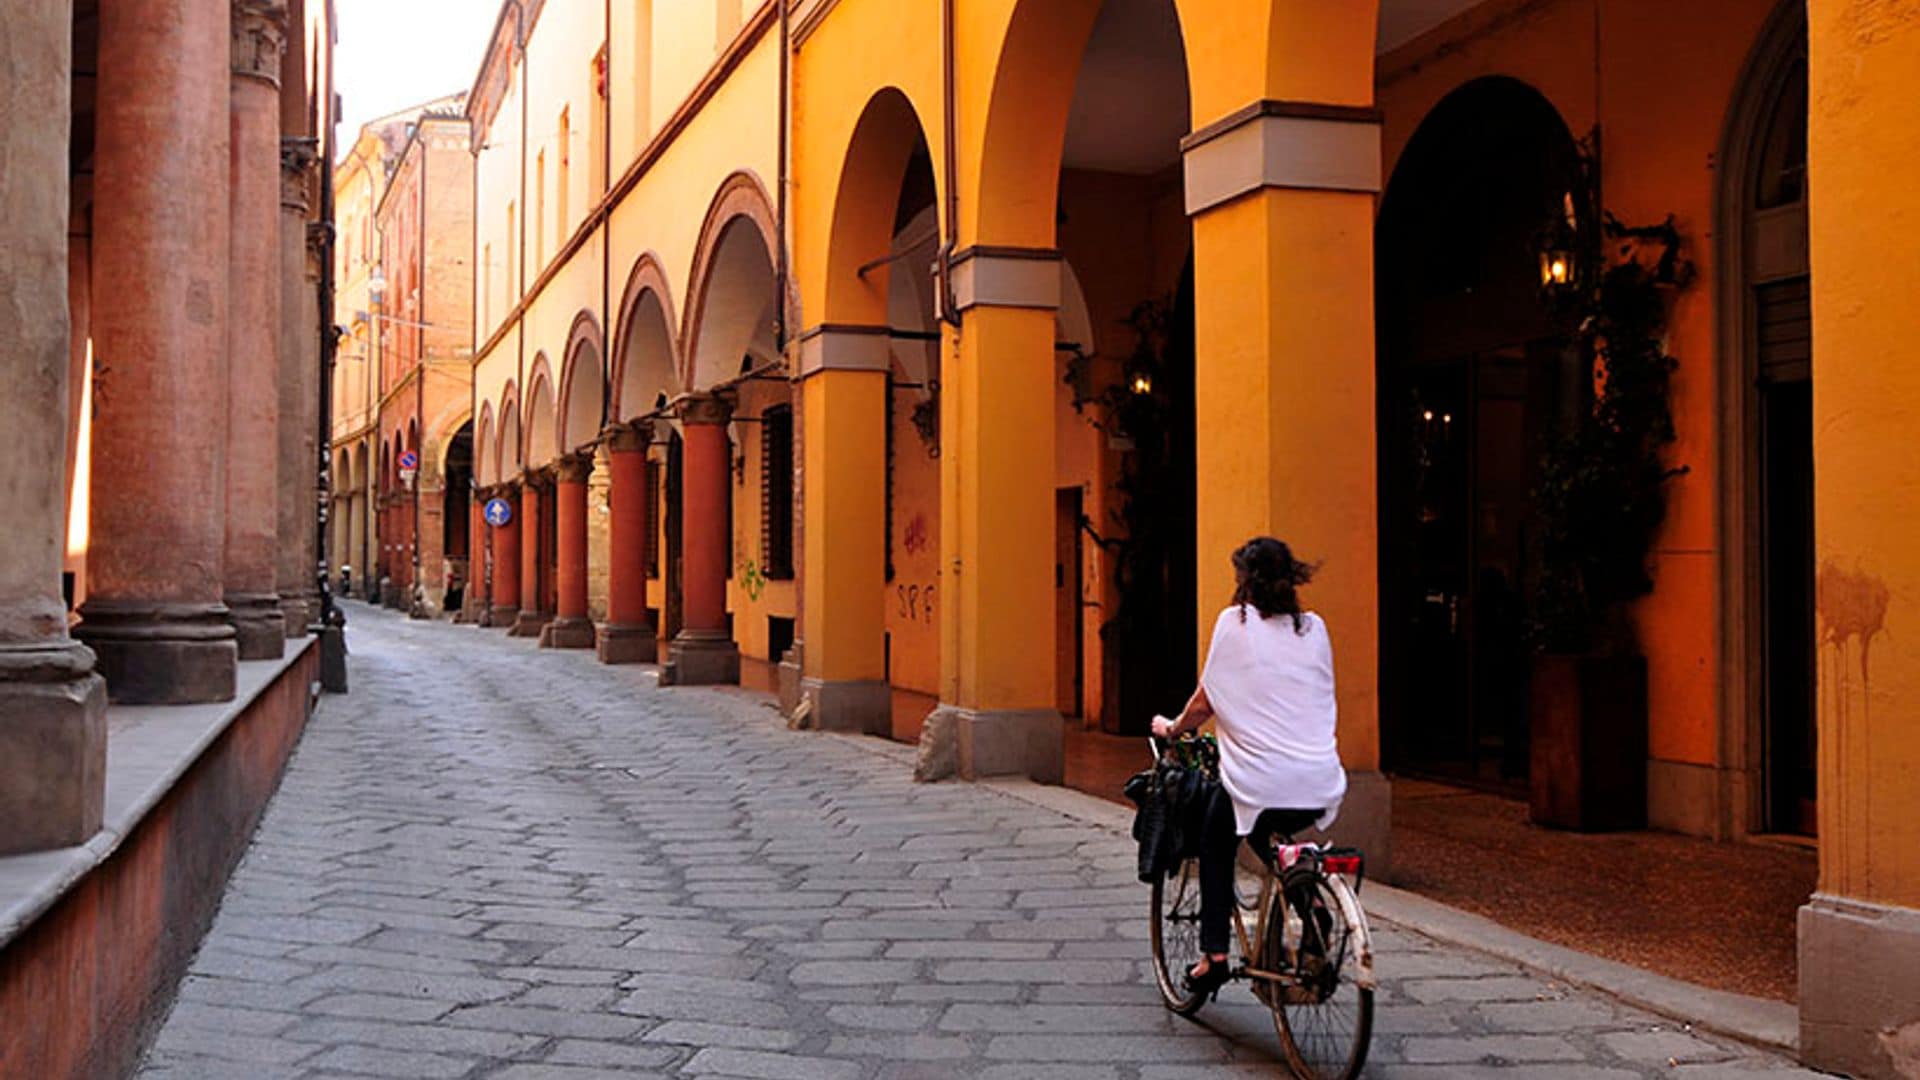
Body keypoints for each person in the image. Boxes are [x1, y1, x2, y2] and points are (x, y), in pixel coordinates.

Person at [1150, 536, 1347, 999]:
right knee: (1267, 829)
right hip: (1320, 779)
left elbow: (1205, 701)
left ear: (1244, 580)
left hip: (1259, 780)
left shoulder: (1233, 623)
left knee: (1216, 839)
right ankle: (1309, 901)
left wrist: (1173, 729)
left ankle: (1213, 957)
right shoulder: (1313, 627)